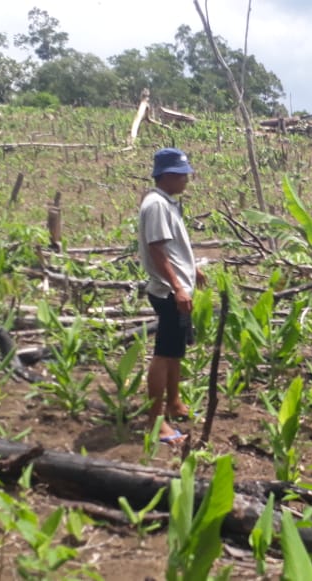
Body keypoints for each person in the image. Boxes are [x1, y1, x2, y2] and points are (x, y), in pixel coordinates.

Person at [137, 147, 206, 447]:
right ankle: (156, 422)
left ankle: (174, 403)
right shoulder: (156, 206)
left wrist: (191, 273)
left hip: (177, 288)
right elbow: (157, 249)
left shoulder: (167, 203)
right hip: (168, 293)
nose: (186, 180)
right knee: (164, 354)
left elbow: (173, 250)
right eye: (182, 175)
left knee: (176, 351)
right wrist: (178, 287)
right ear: (167, 175)